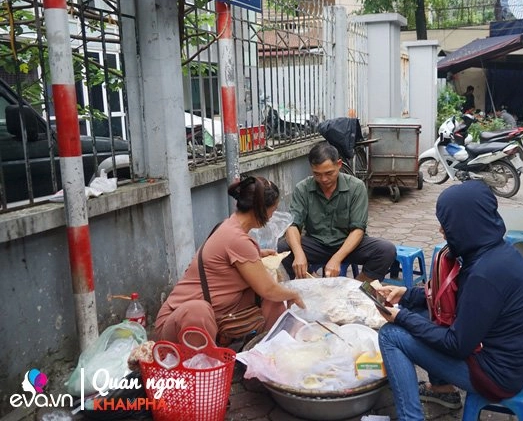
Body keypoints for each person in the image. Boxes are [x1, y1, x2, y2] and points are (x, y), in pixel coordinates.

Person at [376, 181, 523, 419]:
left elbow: (456, 344)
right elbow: (452, 299)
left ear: (464, 224)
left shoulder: (485, 274)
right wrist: (406, 295)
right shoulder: (492, 252)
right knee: (420, 314)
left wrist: (401, 317)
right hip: (506, 358)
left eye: (446, 225)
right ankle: (443, 390)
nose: (442, 231)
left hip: (496, 376)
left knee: (391, 335)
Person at [155, 176, 305, 343]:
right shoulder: (237, 239)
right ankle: (204, 365)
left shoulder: (229, 226)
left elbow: (229, 259)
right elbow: (268, 289)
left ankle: (273, 348)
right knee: (199, 311)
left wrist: (257, 254)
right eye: (273, 209)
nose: (273, 215)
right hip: (178, 322)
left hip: (218, 311)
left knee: (271, 300)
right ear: (262, 209)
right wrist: (294, 294)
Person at [278, 141, 396, 281]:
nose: (323, 179)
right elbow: (293, 225)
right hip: (316, 243)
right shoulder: (302, 188)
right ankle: (312, 282)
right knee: (282, 248)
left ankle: (355, 290)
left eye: (329, 173)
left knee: (386, 250)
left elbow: (358, 230)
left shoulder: (356, 187)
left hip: (348, 244)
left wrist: (336, 258)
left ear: (339, 164)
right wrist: (299, 254)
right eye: (317, 174)